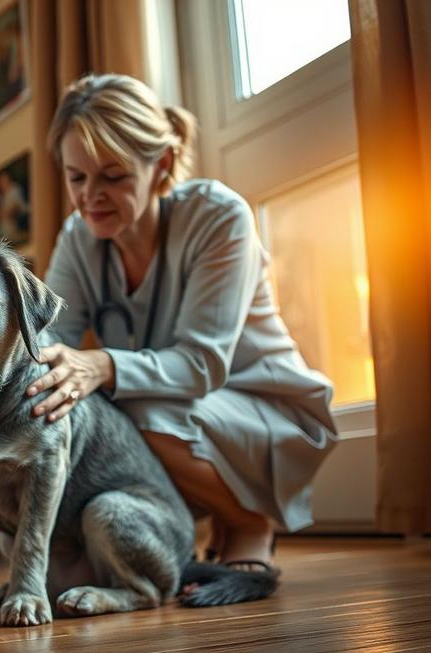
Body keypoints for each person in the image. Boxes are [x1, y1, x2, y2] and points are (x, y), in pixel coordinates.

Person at [26, 73, 338, 573]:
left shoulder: (219, 218)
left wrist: (103, 364)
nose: (91, 197)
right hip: (181, 417)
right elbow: (48, 344)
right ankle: (179, 530)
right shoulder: (78, 237)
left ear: (162, 164)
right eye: (76, 177)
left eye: (114, 175)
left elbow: (201, 365)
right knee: (78, 404)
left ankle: (249, 521)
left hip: (267, 410)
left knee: (131, 413)